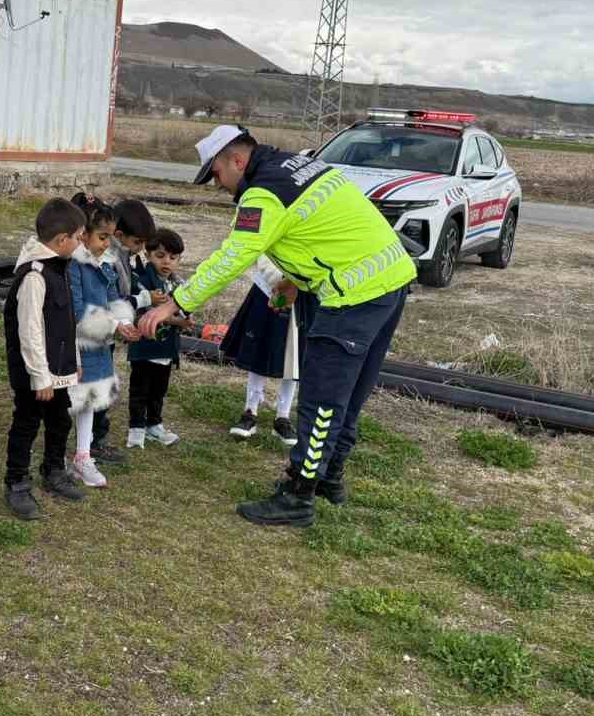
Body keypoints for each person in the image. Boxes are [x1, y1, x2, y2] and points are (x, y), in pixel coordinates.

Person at [137, 125, 416, 527]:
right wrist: (296, 282)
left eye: (215, 174)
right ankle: (330, 478)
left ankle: (299, 496)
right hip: (389, 282)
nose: (218, 185)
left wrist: (177, 302)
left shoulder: (263, 192)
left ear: (235, 160)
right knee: (350, 394)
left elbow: (234, 255)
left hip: (353, 297)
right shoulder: (297, 165)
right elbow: (319, 233)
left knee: (322, 399)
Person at [1, 197, 86, 520]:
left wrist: (71, 359)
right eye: (78, 237)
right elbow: (31, 330)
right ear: (62, 240)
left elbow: (66, 322)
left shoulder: (59, 267)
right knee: (26, 423)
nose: (80, 243)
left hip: (58, 369)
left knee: (59, 420)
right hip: (36, 374)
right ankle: (17, 482)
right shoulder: (35, 275)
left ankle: (53, 470)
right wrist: (40, 376)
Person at [67, 194, 140, 488]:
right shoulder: (73, 266)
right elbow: (77, 309)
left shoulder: (104, 263)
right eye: (102, 236)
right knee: (67, 402)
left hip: (97, 344)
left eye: (109, 237)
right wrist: (113, 324)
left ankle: (83, 456)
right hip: (74, 345)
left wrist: (123, 322)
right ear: (82, 235)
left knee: (88, 401)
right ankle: (57, 455)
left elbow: (113, 298)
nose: (107, 243)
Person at [88, 197, 159, 469]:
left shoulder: (123, 256)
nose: (141, 248)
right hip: (99, 331)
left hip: (108, 330)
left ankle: (95, 436)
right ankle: (94, 440)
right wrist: (143, 299)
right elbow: (114, 300)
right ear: (118, 235)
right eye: (138, 242)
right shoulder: (109, 258)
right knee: (98, 386)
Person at [222, 256, 303, 448]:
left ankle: (282, 417)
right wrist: (279, 281)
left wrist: (298, 284)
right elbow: (264, 249)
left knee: (294, 355)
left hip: (303, 294)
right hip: (267, 287)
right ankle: (250, 411)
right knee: (260, 348)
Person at [126, 227, 188, 450]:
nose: (167, 262)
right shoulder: (142, 280)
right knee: (140, 389)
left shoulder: (179, 284)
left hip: (166, 349)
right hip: (145, 348)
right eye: (160, 256)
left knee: (158, 390)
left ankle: (154, 424)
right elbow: (141, 311)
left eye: (173, 257)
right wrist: (176, 320)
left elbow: (185, 312)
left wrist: (184, 318)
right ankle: (136, 428)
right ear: (149, 255)